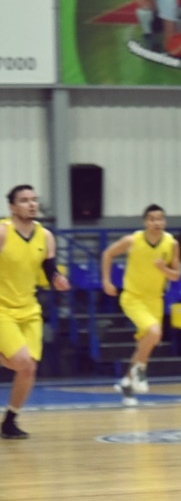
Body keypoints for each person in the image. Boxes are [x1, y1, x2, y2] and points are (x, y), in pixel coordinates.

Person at [0, 185, 69, 439]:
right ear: (12, 207)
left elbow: (49, 268)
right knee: (22, 361)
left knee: (28, 368)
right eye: (24, 200)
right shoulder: (3, 232)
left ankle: (10, 422)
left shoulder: (45, 236)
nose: (31, 204)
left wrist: (57, 278)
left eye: (33, 200)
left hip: (29, 310)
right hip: (2, 309)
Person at [101, 204, 181, 406]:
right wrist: (106, 281)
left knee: (147, 342)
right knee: (154, 332)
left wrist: (163, 269)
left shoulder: (172, 244)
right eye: (152, 219)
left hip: (155, 299)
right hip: (133, 297)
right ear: (145, 222)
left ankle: (127, 382)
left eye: (160, 218)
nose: (157, 223)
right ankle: (140, 371)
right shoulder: (133, 240)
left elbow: (176, 275)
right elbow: (108, 254)